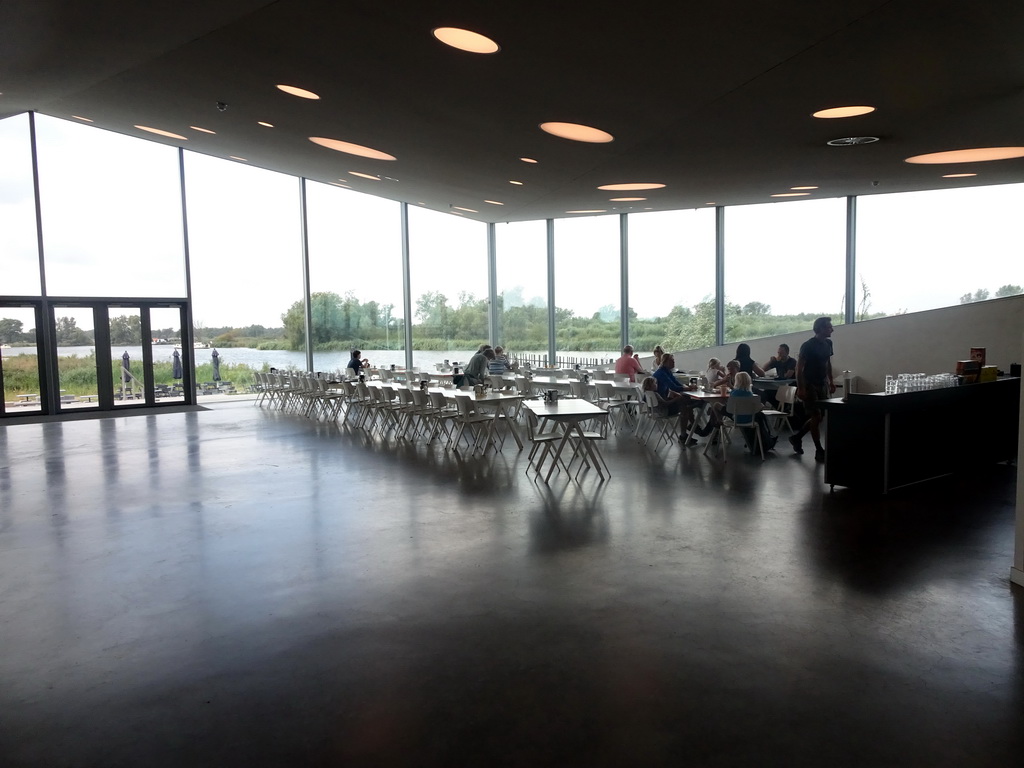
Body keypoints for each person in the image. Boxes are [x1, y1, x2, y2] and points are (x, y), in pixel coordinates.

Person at [790, 316, 835, 461]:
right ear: (820, 329)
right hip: (809, 384)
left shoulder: (828, 343)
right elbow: (799, 369)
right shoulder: (807, 346)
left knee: (819, 417)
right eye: (829, 327)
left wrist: (831, 381)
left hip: (822, 383)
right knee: (816, 416)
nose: (831, 329)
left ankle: (797, 437)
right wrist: (801, 388)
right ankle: (818, 449)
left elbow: (827, 363)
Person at [652, 353, 703, 444]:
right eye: (672, 361)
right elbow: (674, 387)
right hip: (661, 406)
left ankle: (693, 426)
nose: (674, 362)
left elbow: (676, 384)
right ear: (665, 362)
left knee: (685, 401)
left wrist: (686, 387)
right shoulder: (662, 373)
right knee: (685, 406)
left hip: (660, 402)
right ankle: (685, 433)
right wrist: (688, 388)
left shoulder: (665, 371)